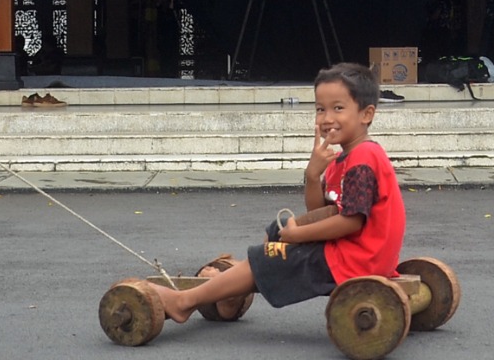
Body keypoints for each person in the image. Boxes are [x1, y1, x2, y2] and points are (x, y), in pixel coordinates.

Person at [151, 62, 406, 325]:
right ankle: (232, 288)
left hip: (358, 259)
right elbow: (317, 213)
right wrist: (312, 175)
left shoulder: (364, 157)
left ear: (366, 114)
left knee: (272, 255)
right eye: (320, 109)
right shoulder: (343, 157)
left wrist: (298, 235)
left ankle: (184, 302)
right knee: (278, 229)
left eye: (338, 108)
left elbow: (352, 221)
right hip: (357, 253)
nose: (327, 118)